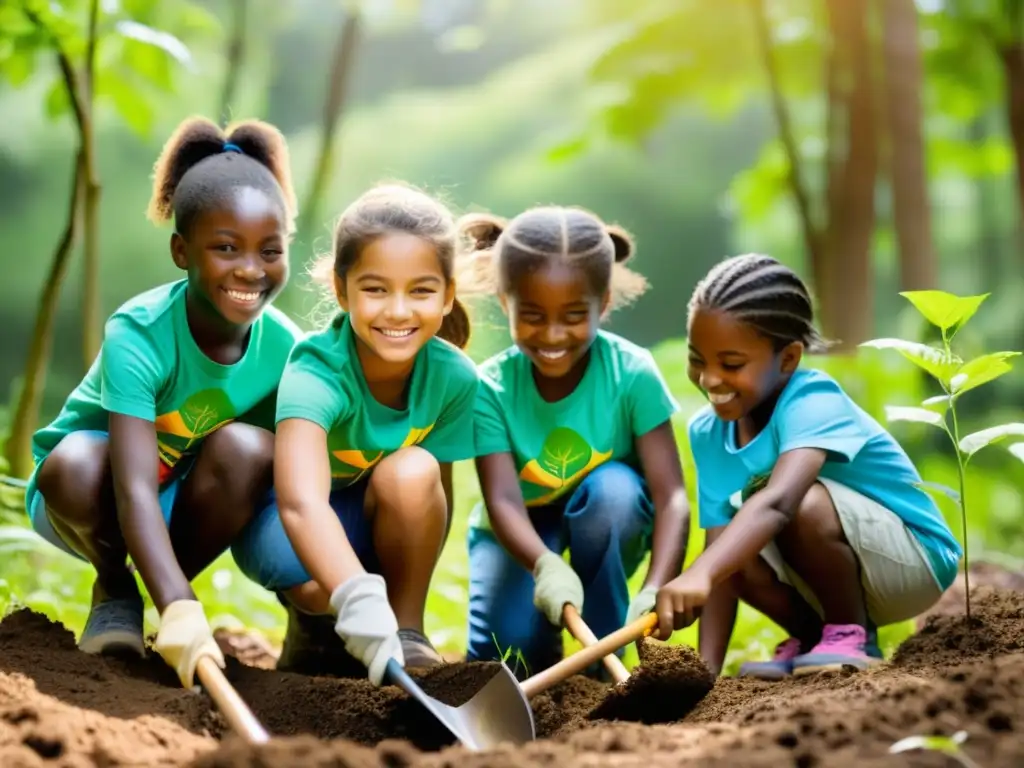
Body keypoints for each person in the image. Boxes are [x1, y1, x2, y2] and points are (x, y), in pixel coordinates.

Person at [24, 116, 303, 690]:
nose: (251, 269)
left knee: (251, 448)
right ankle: (117, 588)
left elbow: (297, 475)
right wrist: (178, 601)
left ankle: (168, 593)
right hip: (91, 501)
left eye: (269, 250)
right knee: (74, 466)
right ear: (182, 251)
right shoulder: (140, 332)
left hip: (184, 503)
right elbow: (130, 487)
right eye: (226, 248)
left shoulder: (284, 348)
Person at [652, 253, 962, 678]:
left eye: (731, 364)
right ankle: (815, 637)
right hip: (832, 561)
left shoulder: (812, 399)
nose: (709, 379)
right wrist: (704, 672)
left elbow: (780, 503)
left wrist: (700, 574)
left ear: (788, 358)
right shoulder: (709, 431)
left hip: (913, 561)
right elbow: (720, 555)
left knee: (799, 501)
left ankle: (851, 635)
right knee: (729, 549)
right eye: (697, 359)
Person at [232, 183, 481, 685]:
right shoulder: (316, 372)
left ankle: (407, 634)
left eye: (421, 290)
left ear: (448, 294)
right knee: (317, 583)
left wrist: (401, 595)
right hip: (285, 524)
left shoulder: (454, 378)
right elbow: (301, 504)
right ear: (341, 290)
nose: (397, 311)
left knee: (414, 470)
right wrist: (356, 595)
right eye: (375, 289)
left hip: (373, 518)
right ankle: (318, 626)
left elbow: (437, 497)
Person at [461, 205, 691, 678]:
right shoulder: (490, 388)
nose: (552, 334)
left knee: (614, 492)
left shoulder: (631, 373)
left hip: (603, 515)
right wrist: (544, 564)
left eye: (572, 316)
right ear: (505, 302)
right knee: (509, 660)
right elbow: (501, 499)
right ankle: (537, 636)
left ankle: (602, 662)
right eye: (532, 316)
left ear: (602, 303)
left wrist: (656, 586)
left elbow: (671, 498)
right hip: (519, 529)